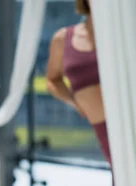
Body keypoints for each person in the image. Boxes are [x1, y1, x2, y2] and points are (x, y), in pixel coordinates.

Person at [46, 0, 113, 183]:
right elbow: (52, 80)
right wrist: (75, 102)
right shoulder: (63, 39)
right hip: (100, 123)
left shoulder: (122, 35)